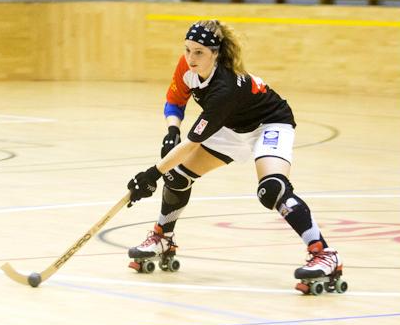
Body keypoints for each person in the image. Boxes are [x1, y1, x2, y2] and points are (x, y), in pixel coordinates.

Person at [125, 20, 344, 293]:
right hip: (232, 126)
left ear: (215, 53)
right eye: (187, 50)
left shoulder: (224, 88)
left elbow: (193, 142)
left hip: (269, 122)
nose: (190, 58)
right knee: (176, 177)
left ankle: (324, 254)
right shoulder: (188, 67)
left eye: (199, 52)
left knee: (272, 189)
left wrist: (150, 174)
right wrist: (172, 129)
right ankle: (162, 238)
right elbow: (175, 99)